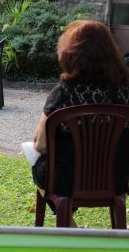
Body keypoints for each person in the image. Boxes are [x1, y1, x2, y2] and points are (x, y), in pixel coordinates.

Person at [31, 20, 129, 206]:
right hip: (117, 180)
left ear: (69, 54)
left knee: (45, 171)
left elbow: (40, 145)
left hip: (66, 181)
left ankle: (68, 223)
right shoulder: (126, 91)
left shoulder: (63, 93)